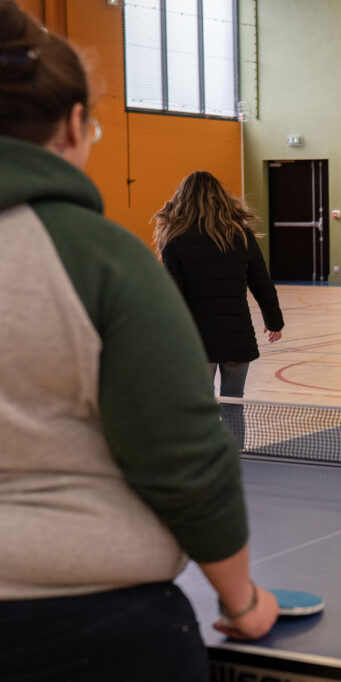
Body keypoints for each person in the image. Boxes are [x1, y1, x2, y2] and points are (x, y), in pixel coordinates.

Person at [0, 3, 278, 679]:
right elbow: (185, 465)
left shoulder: (159, 246)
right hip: (89, 628)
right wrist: (241, 600)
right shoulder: (102, 261)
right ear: (72, 126)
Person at [154, 170, 285, 402]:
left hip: (197, 340)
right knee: (234, 402)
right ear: (221, 199)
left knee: (201, 407)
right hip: (237, 337)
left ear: (182, 200)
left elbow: (172, 294)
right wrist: (274, 321)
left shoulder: (174, 238)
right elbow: (262, 282)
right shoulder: (241, 235)